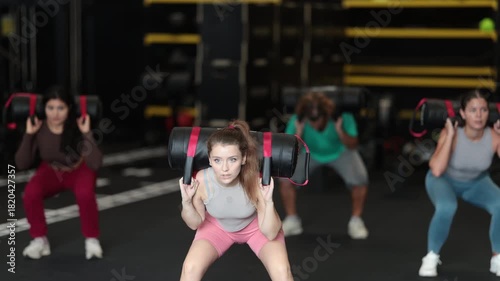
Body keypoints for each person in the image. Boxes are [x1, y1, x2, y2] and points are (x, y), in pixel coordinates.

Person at [178, 120, 293, 281]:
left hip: (256, 228)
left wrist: (268, 203)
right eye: (217, 160)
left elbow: (271, 232)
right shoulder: (201, 180)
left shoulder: (256, 180)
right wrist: (186, 202)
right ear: (210, 160)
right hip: (217, 227)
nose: (225, 168)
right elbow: (195, 224)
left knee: (282, 273)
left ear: (243, 158)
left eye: (232, 159)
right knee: (189, 269)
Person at [15, 86, 103, 260]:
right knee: (30, 193)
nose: (55, 113)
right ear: (44, 109)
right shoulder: (38, 128)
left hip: (79, 169)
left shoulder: (78, 127)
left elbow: (95, 163)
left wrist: (87, 133)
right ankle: (40, 240)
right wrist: (28, 134)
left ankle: (92, 240)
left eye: (60, 108)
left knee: (85, 194)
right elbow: (21, 163)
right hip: (52, 170)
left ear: (69, 108)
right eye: (50, 108)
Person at [419, 90, 500, 277]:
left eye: (483, 110)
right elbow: (437, 170)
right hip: (443, 180)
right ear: (462, 113)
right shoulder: (451, 133)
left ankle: (497, 258)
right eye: (472, 110)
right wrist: (449, 135)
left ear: (489, 113)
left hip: (476, 183)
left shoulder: (494, 136)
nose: (479, 115)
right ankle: (430, 257)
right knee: (447, 207)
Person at [279, 91, 369, 239]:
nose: (314, 124)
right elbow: (291, 150)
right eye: (311, 120)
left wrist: (340, 131)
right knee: (285, 177)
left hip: (340, 152)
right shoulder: (297, 120)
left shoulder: (344, 118)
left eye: (317, 120)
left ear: (326, 115)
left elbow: (353, 145)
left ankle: (356, 220)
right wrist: (299, 132)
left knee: (360, 179)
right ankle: (292, 219)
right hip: (309, 152)